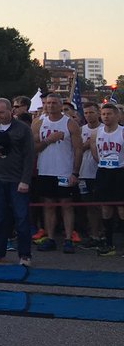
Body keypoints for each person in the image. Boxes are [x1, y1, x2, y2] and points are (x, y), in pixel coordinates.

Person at [0, 98, 36, 265]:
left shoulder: (23, 129)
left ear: (11, 111)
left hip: (17, 180)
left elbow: (29, 155)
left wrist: (25, 180)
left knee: (21, 218)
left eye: (2, 112)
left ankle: (24, 255)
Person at [32, 93, 82, 253]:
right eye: (48, 103)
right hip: (45, 170)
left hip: (64, 171)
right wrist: (49, 140)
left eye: (54, 103)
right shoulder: (38, 123)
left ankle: (68, 239)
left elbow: (78, 149)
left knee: (66, 205)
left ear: (61, 105)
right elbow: (33, 148)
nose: (51, 105)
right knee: (49, 205)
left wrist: (75, 172)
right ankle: (51, 238)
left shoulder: (70, 124)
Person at [89, 102, 124, 256]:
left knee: (121, 208)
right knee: (106, 207)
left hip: (120, 171)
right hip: (104, 171)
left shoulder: (122, 132)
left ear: (118, 116)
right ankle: (108, 243)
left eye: (109, 114)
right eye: (103, 114)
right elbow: (94, 152)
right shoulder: (97, 132)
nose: (106, 117)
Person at [78, 101, 103, 249]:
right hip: (84, 172)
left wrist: (90, 144)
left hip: (100, 172)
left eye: (91, 112)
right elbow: (76, 148)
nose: (88, 116)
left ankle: (103, 233)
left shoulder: (103, 129)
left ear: (98, 113)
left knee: (102, 205)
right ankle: (94, 234)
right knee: (90, 206)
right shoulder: (81, 130)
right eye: (86, 113)